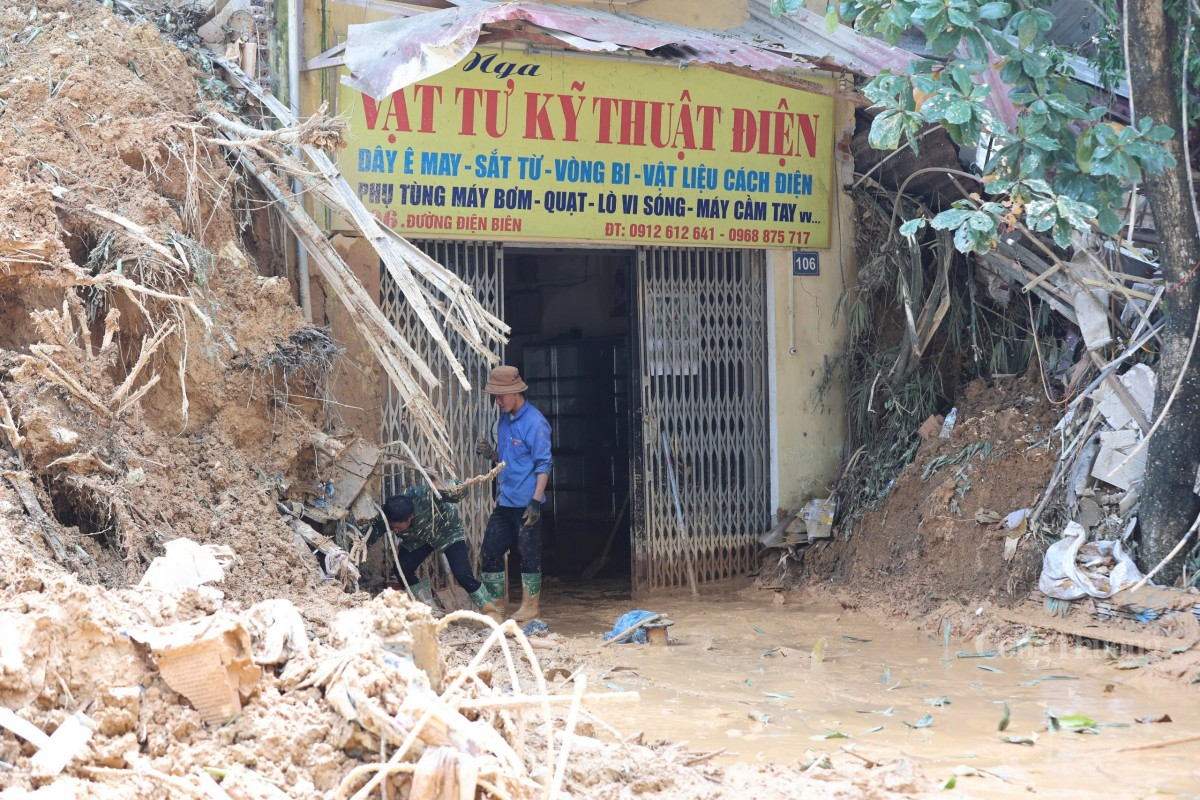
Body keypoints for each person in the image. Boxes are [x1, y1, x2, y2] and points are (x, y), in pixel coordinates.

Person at [475, 365, 552, 621]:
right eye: (495, 396)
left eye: (501, 396)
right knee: (490, 550)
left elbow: (544, 464)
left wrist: (535, 501)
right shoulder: (504, 421)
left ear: (516, 392)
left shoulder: (535, 422)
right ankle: (496, 607)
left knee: (528, 553)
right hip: (505, 501)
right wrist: (491, 455)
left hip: (527, 502)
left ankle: (531, 607)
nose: (497, 401)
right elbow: (509, 458)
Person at [374, 482, 502, 621]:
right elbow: (370, 535)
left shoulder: (424, 495)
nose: (395, 531)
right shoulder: (386, 515)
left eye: (397, 528)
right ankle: (430, 609)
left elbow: (460, 491)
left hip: (447, 530)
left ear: (411, 517)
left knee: (462, 574)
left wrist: (444, 485)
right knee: (402, 568)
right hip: (419, 539)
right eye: (392, 528)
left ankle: (490, 612)